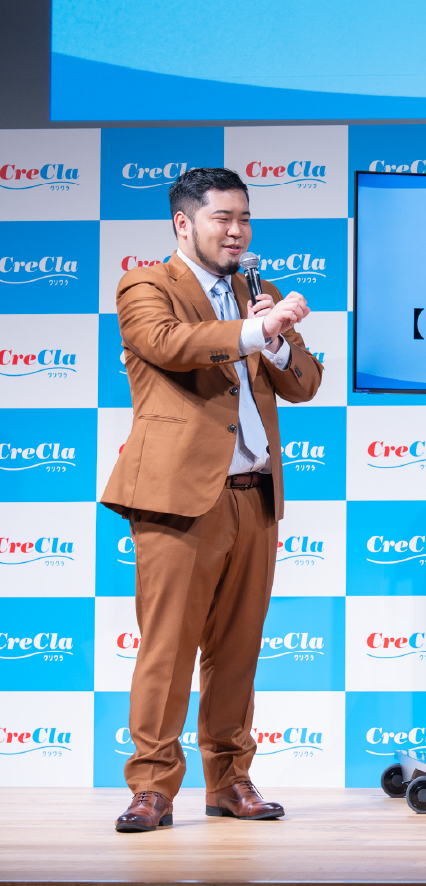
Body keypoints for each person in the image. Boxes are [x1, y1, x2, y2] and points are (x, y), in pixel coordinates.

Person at [103, 167, 323, 833]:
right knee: (168, 649)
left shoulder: (259, 293)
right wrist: (253, 333)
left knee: (238, 649)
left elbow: (305, 383)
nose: (237, 231)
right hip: (178, 499)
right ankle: (152, 787)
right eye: (222, 218)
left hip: (254, 496)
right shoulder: (147, 285)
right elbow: (169, 345)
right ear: (183, 223)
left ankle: (229, 781)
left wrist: (275, 335)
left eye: (244, 218)